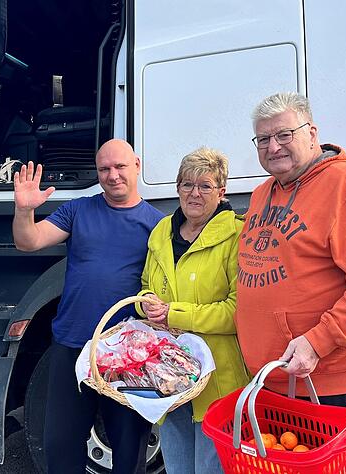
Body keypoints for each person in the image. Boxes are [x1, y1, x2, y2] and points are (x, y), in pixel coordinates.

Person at [234, 92, 346, 474]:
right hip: (281, 384)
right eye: (263, 139)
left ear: (312, 133)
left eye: (284, 134)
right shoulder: (263, 193)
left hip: (338, 387)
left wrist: (318, 341)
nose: (273, 146)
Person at [13, 138, 164, 474]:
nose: (113, 175)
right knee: (61, 446)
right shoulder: (77, 210)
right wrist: (24, 210)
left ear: (137, 165)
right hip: (73, 345)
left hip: (127, 356)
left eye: (120, 166)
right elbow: (28, 241)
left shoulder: (157, 224)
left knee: (129, 450)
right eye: (104, 169)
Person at [136, 147, 251, 474]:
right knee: (178, 469)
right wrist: (146, 301)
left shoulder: (237, 235)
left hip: (217, 380)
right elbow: (146, 283)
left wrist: (173, 314)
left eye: (205, 186)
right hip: (168, 377)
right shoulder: (162, 231)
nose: (194, 193)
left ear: (221, 192)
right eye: (187, 184)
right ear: (177, 188)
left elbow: (236, 312)